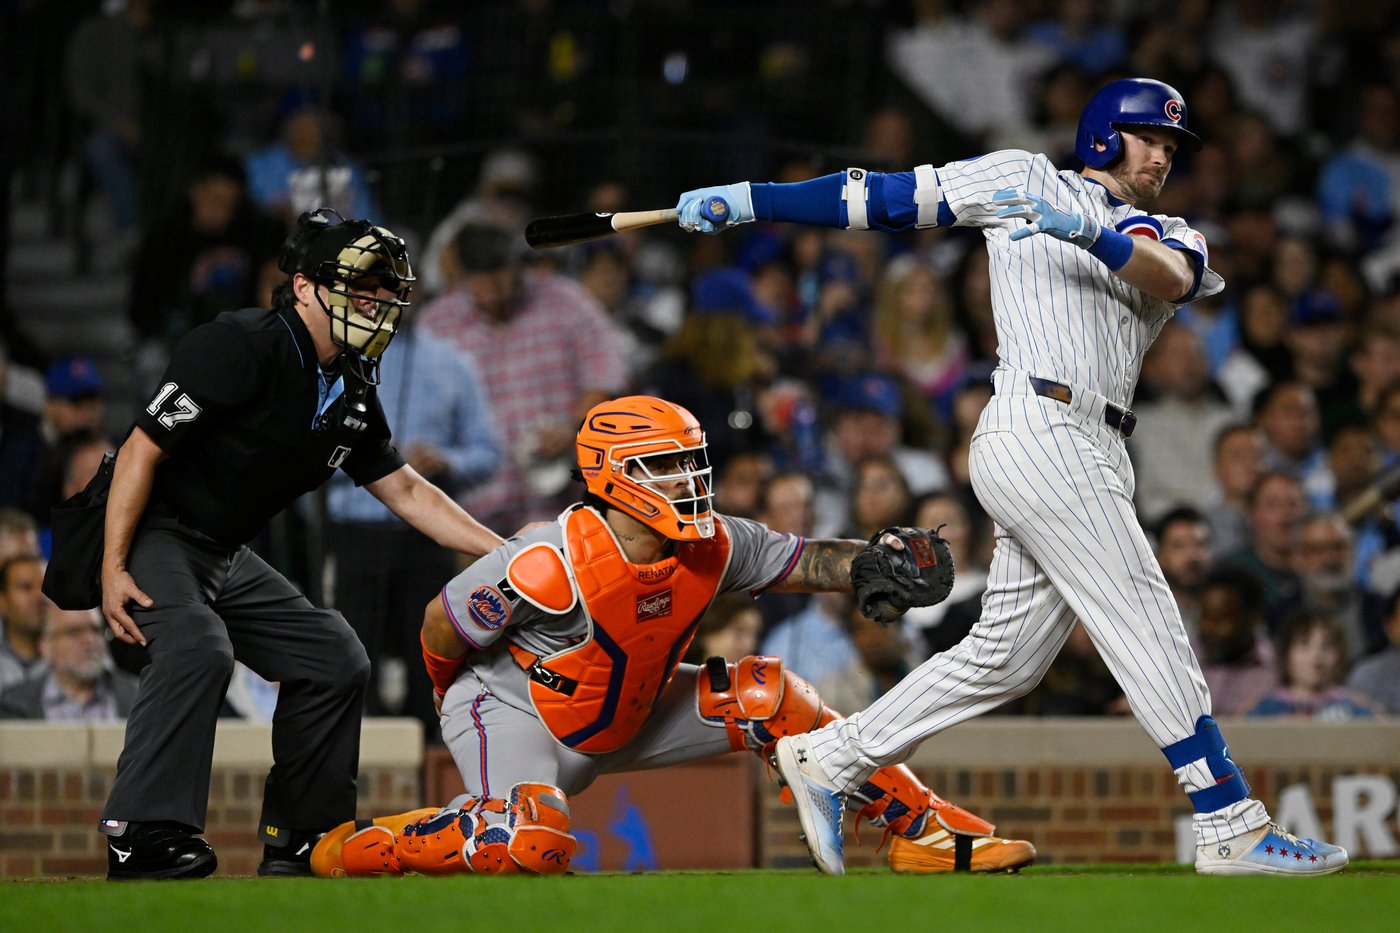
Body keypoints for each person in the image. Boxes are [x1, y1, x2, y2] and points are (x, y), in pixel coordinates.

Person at [672, 76, 1348, 875]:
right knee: (1145, 613)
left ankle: (835, 755)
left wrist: (1088, 234)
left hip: (1096, 443)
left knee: (1009, 656)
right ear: (1103, 135)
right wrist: (751, 201)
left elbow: (1172, 277)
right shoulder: (1021, 180)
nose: (1163, 155)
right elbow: (881, 197)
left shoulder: (1174, 232)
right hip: (1038, 423)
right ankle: (1228, 818)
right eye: (1149, 138)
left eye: (1172, 146)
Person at [310, 396, 1035, 878]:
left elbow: (806, 557)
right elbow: (442, 623)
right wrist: (460, 706)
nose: (688, 476)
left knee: (770, 695)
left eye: (691, 460)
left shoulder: (713, 544)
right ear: (614, 474)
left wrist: (873, 560)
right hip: (518, 710)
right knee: (532, 842)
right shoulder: (545, 561)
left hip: (631, 711)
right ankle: (369, 849)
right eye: (666, 463)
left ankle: (928, 833)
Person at [95, 209, 503, 882]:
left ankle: (305, 838)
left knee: (333, 653)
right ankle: (142, 833)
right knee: (198, 645)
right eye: (360, 286)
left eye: (383, 289)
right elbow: (140, 450)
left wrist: (507, 552)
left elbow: (406, 491)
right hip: (153, 528)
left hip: (221, 549)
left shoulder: (352, 381)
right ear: (307, 287)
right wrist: (112, 566)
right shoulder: (238, 343)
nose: (374, 302)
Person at [323, 282, 501, 738]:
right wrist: (366, 461)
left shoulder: (452, 363)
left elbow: (488, 453)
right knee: (353, 656)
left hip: (426, 532)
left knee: (431, 656)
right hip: (356, 530)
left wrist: (446, 460)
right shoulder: (336, 360)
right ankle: (356, 764)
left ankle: (432, 773)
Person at [416, 221, 629, 532]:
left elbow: (607, 375)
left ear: (517, 267)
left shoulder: (565, 301)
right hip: (476, 511)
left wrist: (573, 427)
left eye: (500, 284)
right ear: (462, 277)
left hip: (561, 503)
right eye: (481, 288)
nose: (492, 298)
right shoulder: (437, 323)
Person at [0, 607, 137, 721]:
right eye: (74, 632)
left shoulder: (138, 697)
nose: (89, 640)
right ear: (46, 647)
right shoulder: (12, 705)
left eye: (96, 630)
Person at [1248, 611, 1375, 720]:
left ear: (1340, 655)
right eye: (1304, 645)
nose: (1316, 655)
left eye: (1326, 646)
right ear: (1286, 654)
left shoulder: (1355, 708)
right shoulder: (1265, 709)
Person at [0, 554, 49, 692]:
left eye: (46, 588)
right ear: (2, 600)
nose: (40, 597)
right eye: (26, 587)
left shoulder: (76, 651)